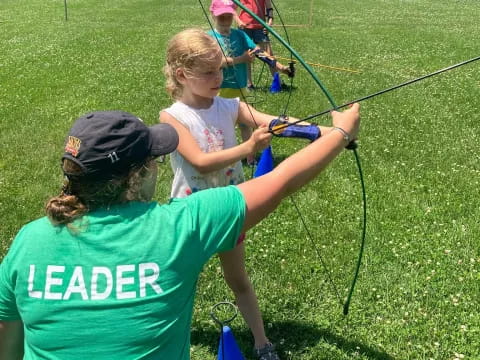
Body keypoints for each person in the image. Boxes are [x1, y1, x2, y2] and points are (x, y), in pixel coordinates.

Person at [159, 28, 347, 360]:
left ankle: (262, 343)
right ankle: (166, 340)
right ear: (181, 75)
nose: (218, 77)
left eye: (219, 69)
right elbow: (200, 163)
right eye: (208, 72)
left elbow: (275, 121)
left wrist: (328, 132)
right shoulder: (172, 117)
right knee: (177, 285)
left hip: (231, 210)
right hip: (191, 215)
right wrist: (248, 146)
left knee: (239, 280)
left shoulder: (228, 106)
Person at [207, 0, 291, 165]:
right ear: (213, 15)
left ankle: (249, 157)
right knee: (220, 126)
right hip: (219, 89)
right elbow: (215, 63)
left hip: (240, 87)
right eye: (221, 16)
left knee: (246, 124)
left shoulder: (239, 35)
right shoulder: (208, 38)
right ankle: (220, 158)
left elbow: (258, 51)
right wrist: (241, 59)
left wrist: (280, 67)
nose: (225, 19)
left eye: (228, 16)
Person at [236, 0, 293, 89]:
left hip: (260, 26)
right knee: (246, 55)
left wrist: (269, 23)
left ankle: (278, 82)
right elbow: (232, 8)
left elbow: (269, 8)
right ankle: (248, 84)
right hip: (244, 25)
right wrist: (238, 21)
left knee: (269, 54)